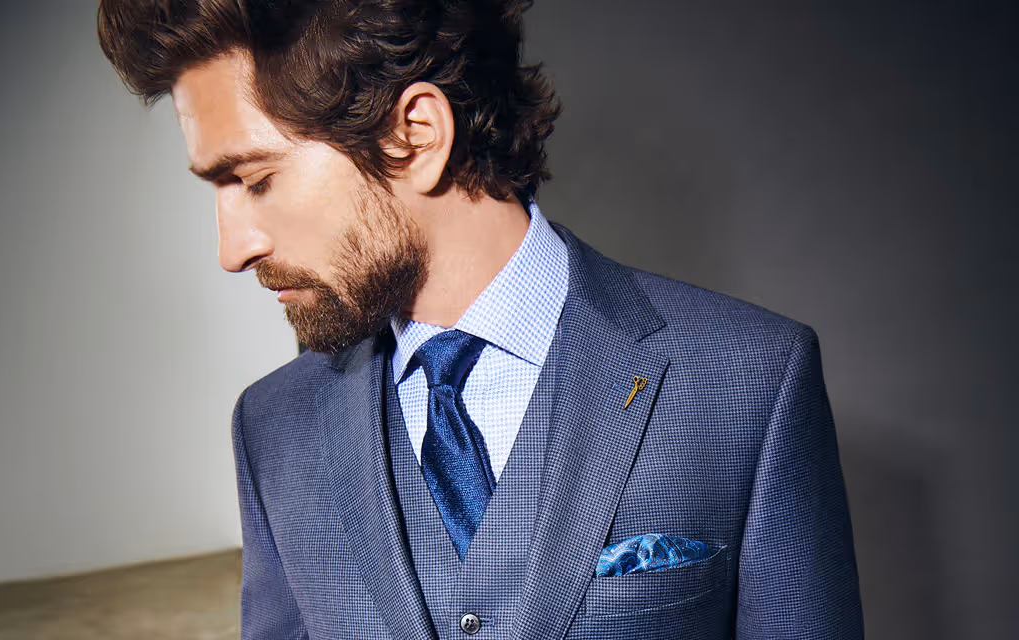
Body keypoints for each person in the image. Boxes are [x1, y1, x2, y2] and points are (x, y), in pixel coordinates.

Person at [96, 1, 864, 638]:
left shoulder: (748, 378)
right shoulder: (273, 428)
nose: (233, 250)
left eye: (255, 179)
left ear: (415, 136)